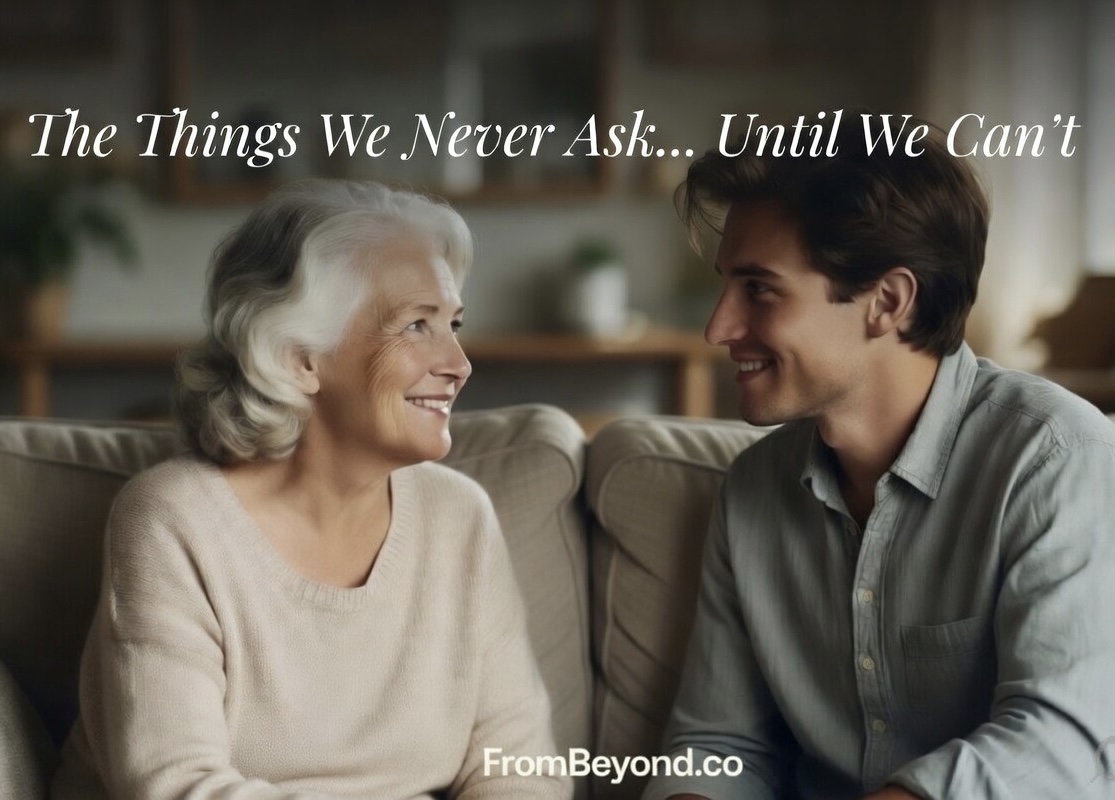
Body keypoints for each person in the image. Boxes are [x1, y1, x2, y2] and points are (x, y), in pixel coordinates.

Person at [642, 115, 1115, 799]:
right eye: (726, 286)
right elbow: (720, 745)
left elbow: (1058, 745)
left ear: (887, 302)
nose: (718, 327)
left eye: (759, 288)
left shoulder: (1054, 459)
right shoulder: (753, 488)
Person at [51, 180, 570, 799]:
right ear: (300, 357)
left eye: (453, 323)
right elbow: (176, 786)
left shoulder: (461, 518)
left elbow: (520, 770)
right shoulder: (174, 521)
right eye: (417, 326)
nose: (459, 364)